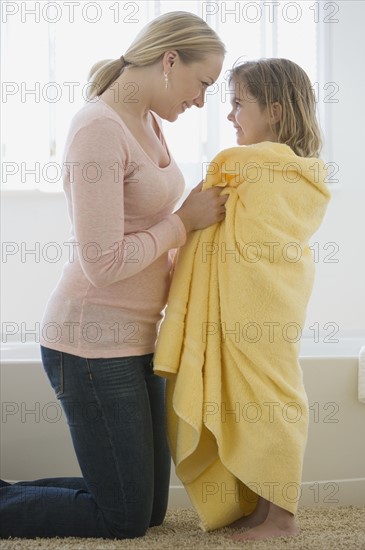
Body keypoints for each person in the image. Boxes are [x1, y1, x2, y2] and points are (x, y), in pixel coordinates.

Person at [0, 11, 226, 539]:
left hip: (138, 338)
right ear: (170, 61)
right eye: (202, 84)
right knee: (123, 518)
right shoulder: (98, 128)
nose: (200, 100)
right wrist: (183, 222)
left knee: (148, 510)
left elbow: (152, 227)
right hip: (90, 344)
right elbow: (101, 264)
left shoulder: (147, 120)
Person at [153, 58, 331, 541]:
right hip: (245, 304)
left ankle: (283, 517)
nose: (230, 115)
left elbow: (270, 238)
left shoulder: (267, 169)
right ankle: (258, 505)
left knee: (274, 399)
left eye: (238, 104)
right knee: (247, 399)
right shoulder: (251, 168)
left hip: (267, 303)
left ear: (274, 110)